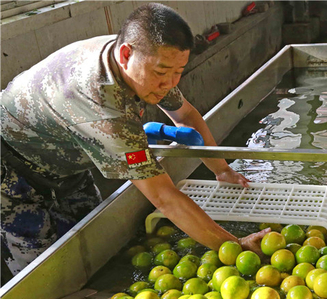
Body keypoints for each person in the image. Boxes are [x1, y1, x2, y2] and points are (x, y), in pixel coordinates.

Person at [0, 3, 267, 278]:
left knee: (93, 246)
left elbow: (185, 114)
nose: (169, 83)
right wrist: (235, 247)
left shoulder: (144, 59)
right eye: (162, 73)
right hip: (13, 166)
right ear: (126, 54)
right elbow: (164, 197)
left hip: (64, 158)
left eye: (179, 71)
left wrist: (222, 170)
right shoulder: (103, 108)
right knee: (43, 273)